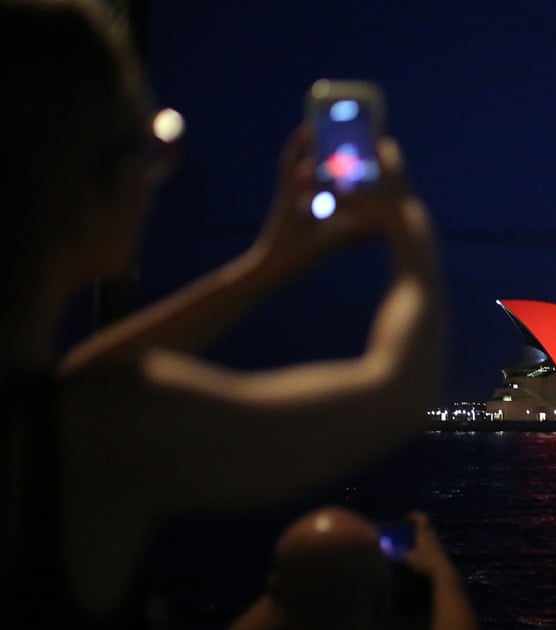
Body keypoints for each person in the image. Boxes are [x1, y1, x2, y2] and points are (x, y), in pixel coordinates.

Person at [1, 0, 444, 626]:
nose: (157, 175)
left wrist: (265, 266)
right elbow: (399, 391)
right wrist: (408, 225)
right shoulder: (95, 438)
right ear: (80, 191)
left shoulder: (56, 412)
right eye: (147, 144)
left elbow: (83, 376)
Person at [230, 508, 478, 630]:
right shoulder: (381, 604)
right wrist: (441, 572)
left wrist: (306, 568)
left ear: (277, 594)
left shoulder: (281, 596)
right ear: (381, 602)